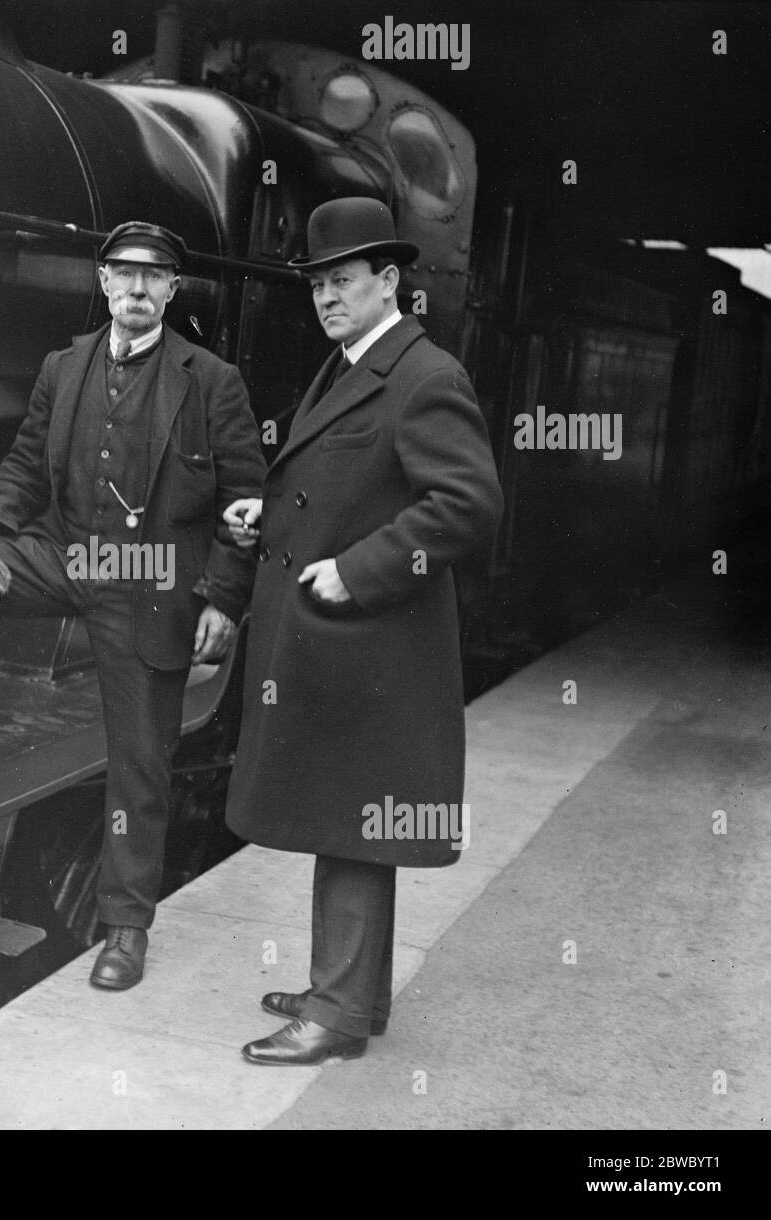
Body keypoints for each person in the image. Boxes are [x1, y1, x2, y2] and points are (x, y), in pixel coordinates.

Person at [0, 221, 265, 990]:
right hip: (69, 559)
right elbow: (23, 474)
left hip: (153, 583)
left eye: (155, 276)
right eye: (124, 274)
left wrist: (223, 600)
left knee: (139, 763)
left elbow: (247, 503)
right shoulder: (62, 367)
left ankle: (126, 930)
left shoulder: (212, 380)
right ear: (102, 282)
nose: (137, 289)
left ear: (173, 289)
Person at [223, 197, 503, 1064]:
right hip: (344, 647)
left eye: (344, 281)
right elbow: (342, 490)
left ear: (390, 282)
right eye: (318, 285)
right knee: (349, 820)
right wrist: (263, 519)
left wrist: (356, 571)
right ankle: (349, 996)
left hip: (371, 643)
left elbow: (468, 506)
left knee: (352, 825)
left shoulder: (424, 376)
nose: (327, 298)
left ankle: (335, 1015)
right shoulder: (351, 365)